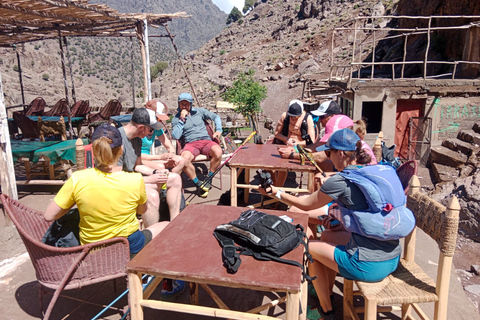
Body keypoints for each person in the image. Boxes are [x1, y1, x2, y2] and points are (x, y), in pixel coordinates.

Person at [259, 129, 401, 320]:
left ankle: (326, 309)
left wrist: (275, 193)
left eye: (329, 152)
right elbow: (371, 217)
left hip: (369, 265)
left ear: (341, 153)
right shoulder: (375, 172)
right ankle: (327, 292)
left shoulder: (340, 181)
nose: (327, 157)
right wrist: (342, 224)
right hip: (391, 257)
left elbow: (306, 204)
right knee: (326, 236)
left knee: (309, 248)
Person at [44, 123, 169, 259]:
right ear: (121, 150)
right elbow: (141, 211)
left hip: (93, 250)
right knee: (166, 226)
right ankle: (155, 270)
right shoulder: (135, 179)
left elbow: (49, 216)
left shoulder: (78, 179)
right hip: (128, 247)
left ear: (93, 150)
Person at [118, 108, 183, 227]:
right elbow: (116, 178)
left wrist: (156, 172)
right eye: (151, 130)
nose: (151, 134)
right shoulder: (118, 141)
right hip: (121, 185)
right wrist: (149, 179)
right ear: (141, 127)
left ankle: (175, 224)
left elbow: (137, 166)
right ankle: (152, 233)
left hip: (133, 179)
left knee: (174, 178)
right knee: (151, 196)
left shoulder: (137, 140)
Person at [171, 92, 223, 198]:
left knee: (218, 152)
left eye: (186, 104)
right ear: (178, 104)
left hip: (206, 141)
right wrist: (182, 119)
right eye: (182, 104)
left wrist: (218, 130)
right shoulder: (176, 119)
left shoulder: (199, 112)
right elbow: (175, 136)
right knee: (183, 159)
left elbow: (216, 117)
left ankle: (209, 178)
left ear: (191, 104)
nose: (184, 106)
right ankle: (198, 183)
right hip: (191, 144)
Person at [273, 99, 316, 187]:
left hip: (301, 145)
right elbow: (277, 133)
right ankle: (276, 185)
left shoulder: (307, 118)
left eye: (296, 117)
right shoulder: (285, 116)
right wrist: (286, 139)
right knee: (274, 162)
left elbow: (312, 140)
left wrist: (298, 143)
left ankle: (278, 188)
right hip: (286, 143)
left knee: (284, 162)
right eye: (291, 116)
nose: (293, 118)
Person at [141, 100, 185, 174]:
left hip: (150, 158)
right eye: (158, 118)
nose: (160, 121)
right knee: (160, 166)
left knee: (181, 161)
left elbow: (169, 146)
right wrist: (159, 157)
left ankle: (171, 180)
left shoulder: (156, 128)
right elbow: (135, 155)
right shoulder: (139, 129)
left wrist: (172, 155)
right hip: (139, 160)